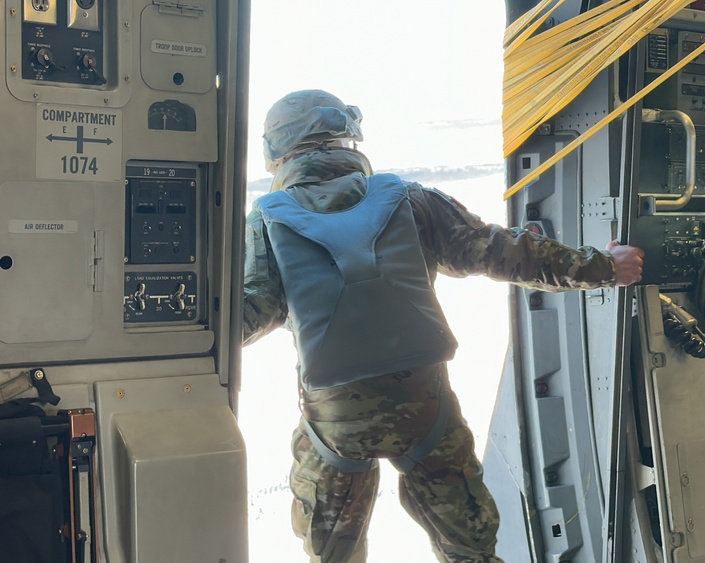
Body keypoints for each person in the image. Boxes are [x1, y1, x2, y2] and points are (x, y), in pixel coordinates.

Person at [242, 89, 644, 563]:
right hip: (428, 416)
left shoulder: (267, 220)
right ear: (348, 137)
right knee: (471, 553)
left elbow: (251, 315)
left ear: (277, 152)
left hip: (333, 427)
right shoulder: (409, 199)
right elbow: (501, 252)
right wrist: (602, 266)